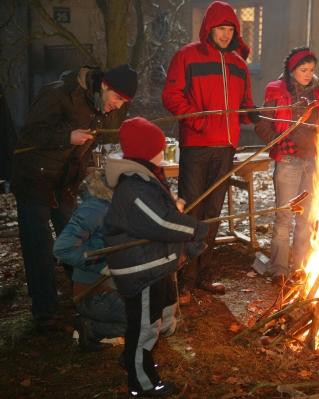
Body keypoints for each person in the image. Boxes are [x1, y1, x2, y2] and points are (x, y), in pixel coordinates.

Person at [11, 64, 137, 331]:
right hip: (34, 179)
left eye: (124, 102)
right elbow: (28, 135)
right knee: (39, 248)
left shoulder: (97, 106)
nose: (118, 106)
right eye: (117, 99)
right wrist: (67, 136)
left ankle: (82, 296)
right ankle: (44, 312)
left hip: (64, 183)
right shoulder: (58, 94)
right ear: (105, 86)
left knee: (78, 239)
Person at [103, 117, 208, 397]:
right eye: (160, 148)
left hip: (155, 264)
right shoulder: (134, 188)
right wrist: (193, 228)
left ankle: (133, 360)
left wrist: (177, 212)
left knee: (158, 319)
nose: (164, 152)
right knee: (144, 327)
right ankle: (143, 383)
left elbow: (161, 215)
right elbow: (160, 224)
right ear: (146, 151)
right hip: (142, 269)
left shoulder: (145, 178)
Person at [161, 0, 258, 296]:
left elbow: (245, 104)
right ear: (209, 28)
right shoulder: (187, 57)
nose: (226, 34)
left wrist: (253, 114)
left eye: (230, 29)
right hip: (197, 146)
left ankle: (204, 272)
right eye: (221, 28)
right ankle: (184, 276)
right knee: (193, 208)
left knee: (213, 212)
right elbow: (171, 95)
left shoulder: (239, 65)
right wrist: (198, 120)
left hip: (226, 147)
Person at [254, 47, 319, 280]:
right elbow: (262, 123)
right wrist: (277, 142)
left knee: (306, 217)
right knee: (284, 215)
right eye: (303, 70)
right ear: (291, 70)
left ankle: (301, 266)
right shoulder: (276, 91)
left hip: (311, 161)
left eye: (311, 70)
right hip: (288, 161)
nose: (307, 74)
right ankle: (279, 269)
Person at [53, 169, 126, 352]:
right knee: (146, 319)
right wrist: (101, 265)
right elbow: (62, 248)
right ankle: (91, 329)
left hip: (116, 285)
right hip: (94, 292)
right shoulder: (95, 208)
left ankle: (101, 324)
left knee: (155, 312)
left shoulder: (121, 204)